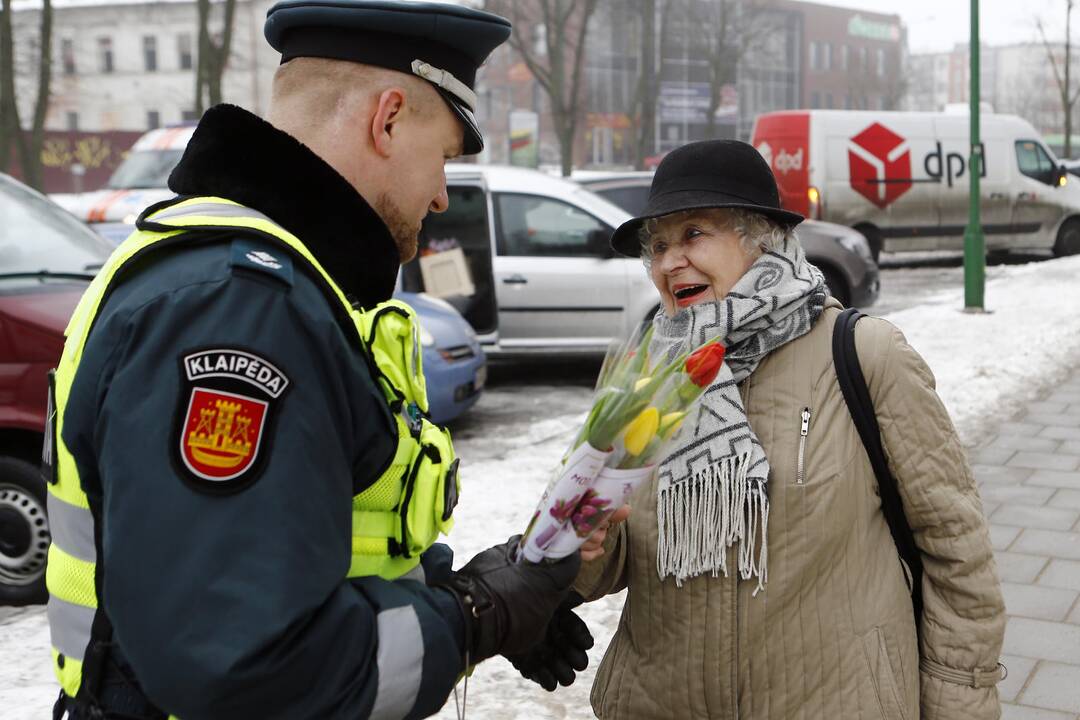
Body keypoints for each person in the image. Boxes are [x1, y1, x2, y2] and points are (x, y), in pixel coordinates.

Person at [44, 2, 587, 718]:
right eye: (446, 156)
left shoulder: (284, 286)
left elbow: (329, 538)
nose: (440, 193)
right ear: (387, 118)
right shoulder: (238, 309)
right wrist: (472, 618)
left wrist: (464, 594)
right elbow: (247, 668)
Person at [568, 140, 1006, 719]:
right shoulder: (648, 373)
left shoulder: (864, 354)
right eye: (657, 246)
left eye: (694, 234)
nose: (669, 262)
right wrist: (586, 545)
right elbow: (608, 558)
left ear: (761, 239)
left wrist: (958, 703)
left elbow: (955, 550)